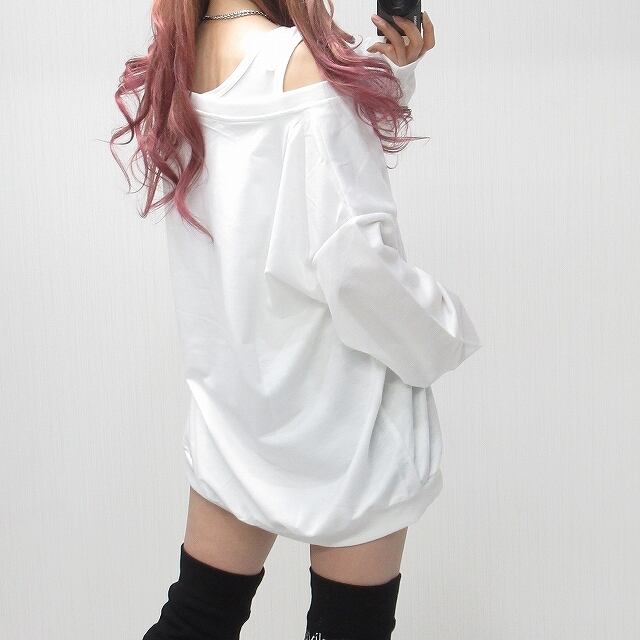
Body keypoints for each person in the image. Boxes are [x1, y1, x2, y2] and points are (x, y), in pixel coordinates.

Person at [110, 1, 482, 639]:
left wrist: (387, 78)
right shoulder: (311, 71)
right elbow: (356, 268)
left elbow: (270, 157)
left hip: (238, 412)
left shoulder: (177, 66)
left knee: (197, 620)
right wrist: (446, 330)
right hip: (346, 422)